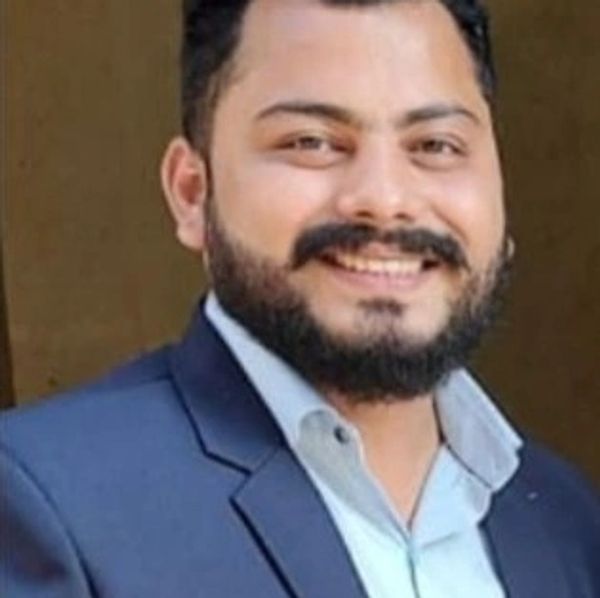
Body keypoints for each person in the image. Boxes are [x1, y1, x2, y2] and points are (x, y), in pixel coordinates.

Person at [1, 0, 599, 596]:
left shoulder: (567, 524)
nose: (385, 200)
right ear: (192, 193)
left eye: (436, 145)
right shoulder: (45, 501)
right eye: (311, 142)